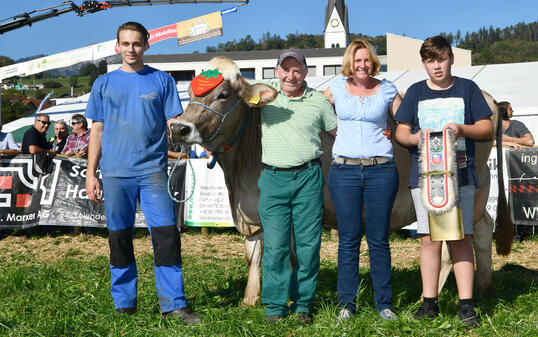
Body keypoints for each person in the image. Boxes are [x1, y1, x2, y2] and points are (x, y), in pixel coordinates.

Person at [84, 21, 199, 324]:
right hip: (115, 174)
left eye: (137, 43)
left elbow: (174, 121)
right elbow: (96, 130)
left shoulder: (162, 81)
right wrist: (91, 173)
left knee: (166, 238)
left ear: (147, 45)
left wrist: (196, 139)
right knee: (119, 239)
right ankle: (125, 305)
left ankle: (173, 304)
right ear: (117, 47)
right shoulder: (103, 84)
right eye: (125, 44)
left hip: (153, 173)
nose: (131, 49)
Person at [394, 35, 493, 327]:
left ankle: (466, 304)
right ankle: (430, 302)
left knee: (461, 238)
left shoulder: (468, 89)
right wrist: (416, 137)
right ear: (424, 63)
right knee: (428, 239)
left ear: (451, 58)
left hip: (460, 174)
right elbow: (401, 131)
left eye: (441, 59)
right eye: (430, 61)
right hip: (425, 177)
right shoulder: (414, 93)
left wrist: (462, 129)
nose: (436, 66)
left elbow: (487, 127)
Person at [323, 39, 401, 321]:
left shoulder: (388, 88)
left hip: (381, 170)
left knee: (379, 239)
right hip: (344, 171)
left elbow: (405, 121)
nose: (362, 65)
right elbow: (313, 111)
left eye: (366, 60)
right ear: (349, 63)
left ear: (373, 62)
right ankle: (347, 304)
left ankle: (384, 304)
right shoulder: (336, 88)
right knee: (348, 239)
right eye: (357, 61)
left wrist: (396, 128)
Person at [257, 49, 337, 324]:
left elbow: (341, 132)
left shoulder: (317, 101)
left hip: (308, 178)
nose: (291, 75)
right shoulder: (262, 97)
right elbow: (231, 105)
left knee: (308, 245)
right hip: (273, 178)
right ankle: (275, 306)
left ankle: (303, 303)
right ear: (277, 71)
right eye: (286, 69)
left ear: (305, 72)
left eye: (297, 70)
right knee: (276, 246)